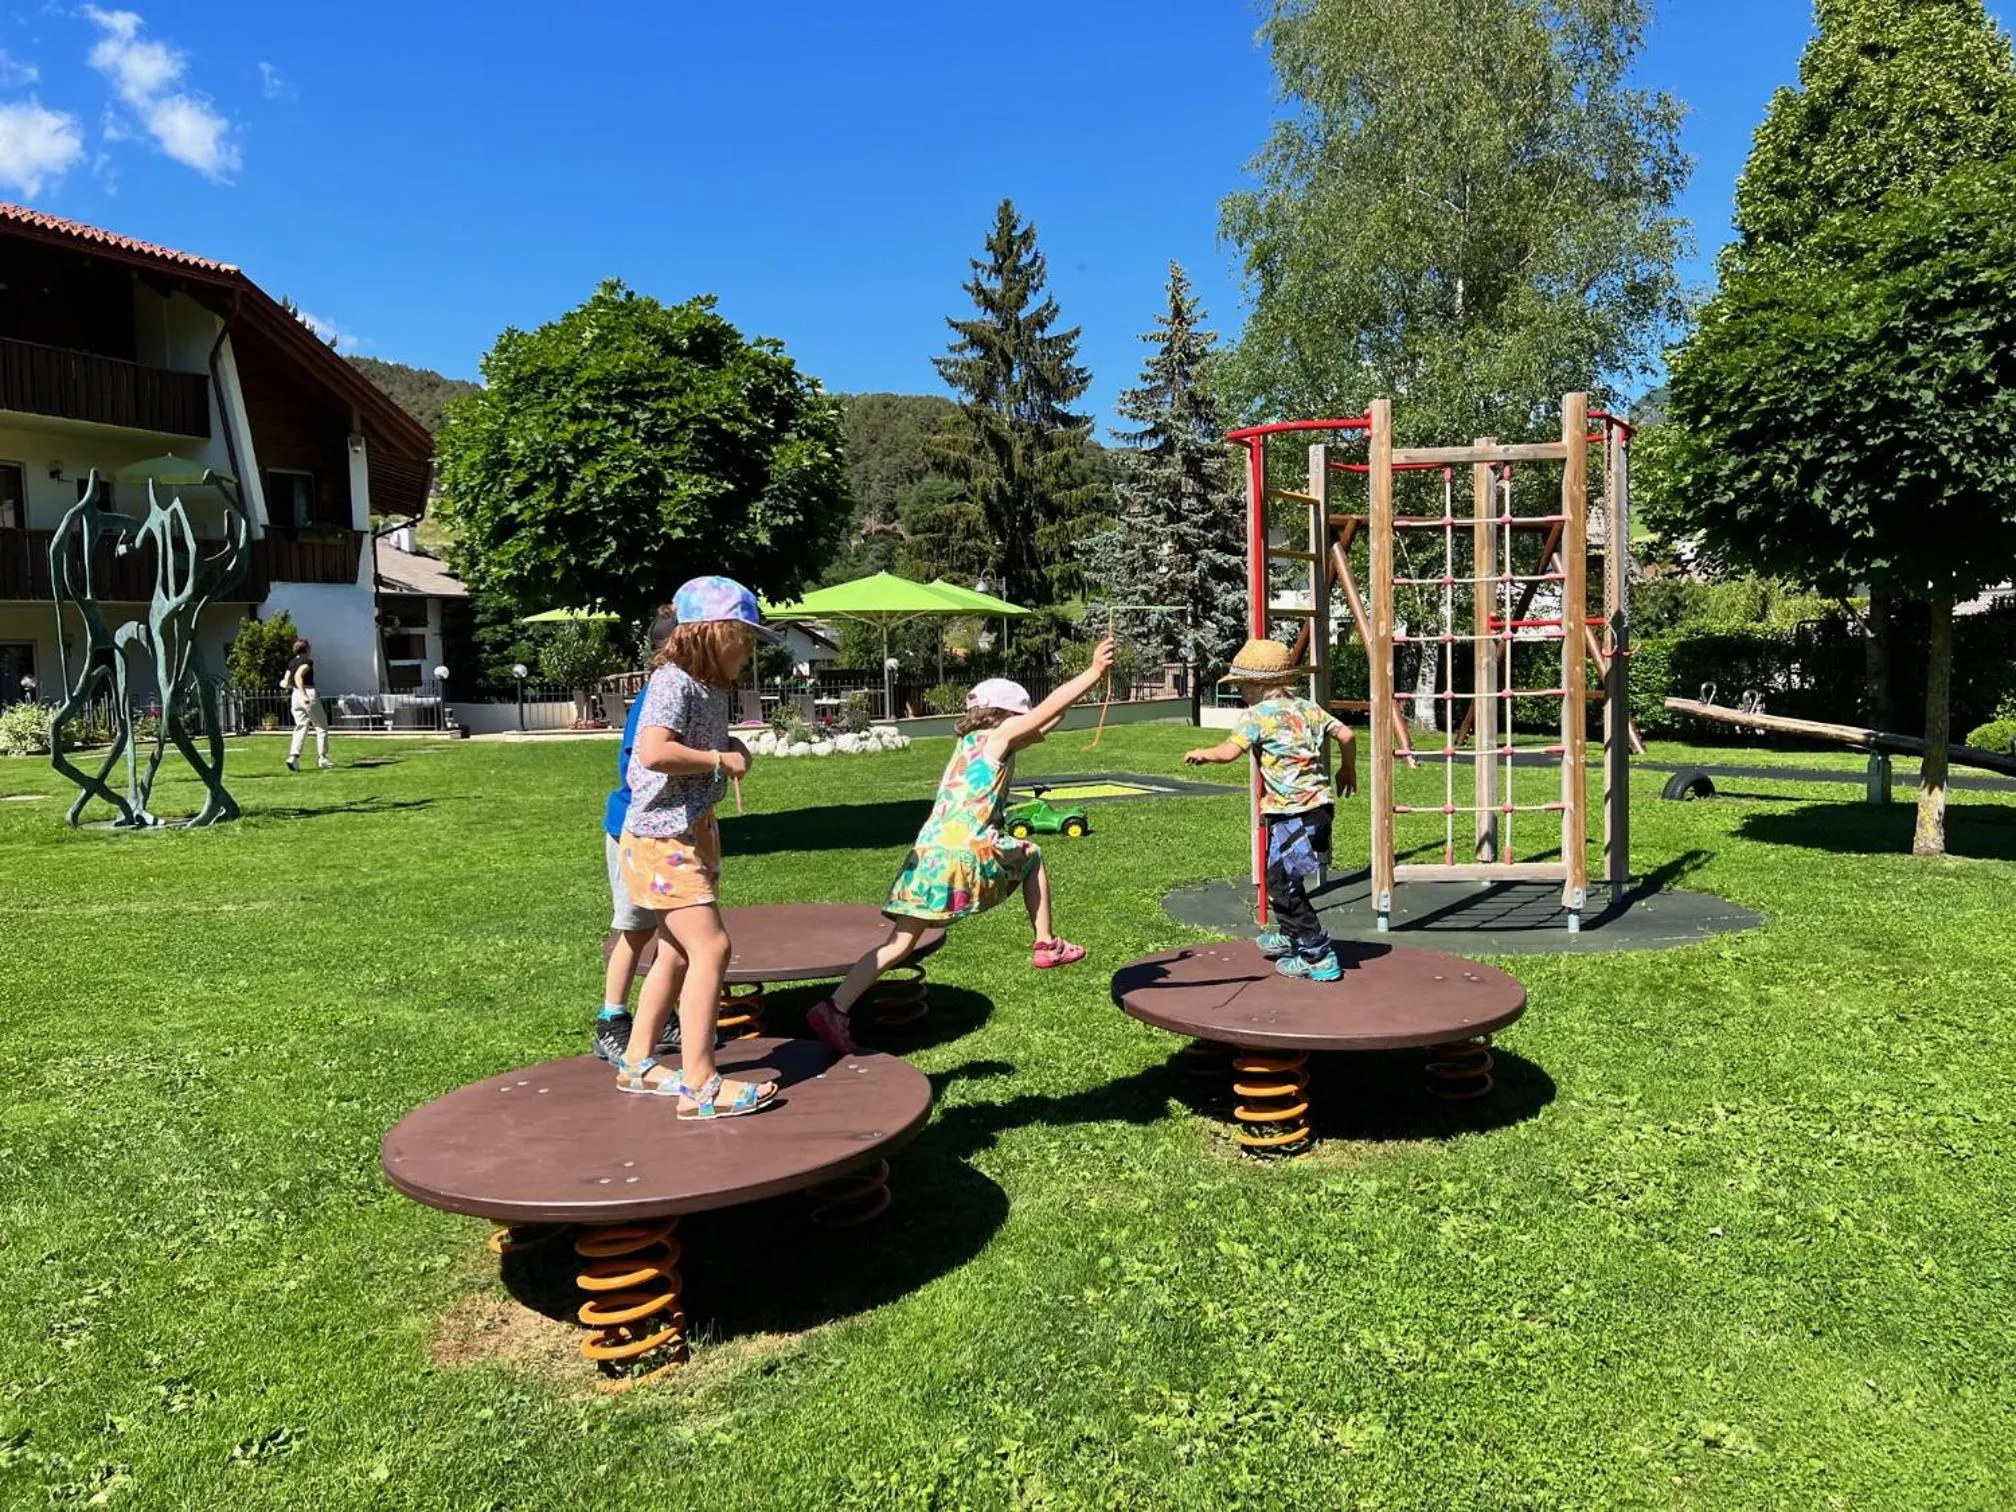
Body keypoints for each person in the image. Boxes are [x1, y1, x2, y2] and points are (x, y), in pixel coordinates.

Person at [804, 640, 1115, 1057]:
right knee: (1032, 855)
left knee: (900, 943)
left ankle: (834, 1007)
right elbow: (1045, 711)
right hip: (969, 848)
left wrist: (1079, 697)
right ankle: (1045, 943)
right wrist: (1093, 672)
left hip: (930, 853)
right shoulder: (1000, 736)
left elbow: (1045, 722)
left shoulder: (972, 744)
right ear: (1007, 715)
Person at [613, 576, 779, 1119]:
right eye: (744, 638)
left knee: (678, 951)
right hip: (661, 837)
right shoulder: (673, 682)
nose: (749, 651)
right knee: (712, 949)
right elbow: (654, 750)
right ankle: (700, 1085)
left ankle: (637, 1062)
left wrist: (729, 745)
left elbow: (697, 743)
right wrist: (716, 759)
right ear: (714, 633)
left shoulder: (708, 688)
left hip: (689, 829)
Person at [1183, 637, 1358, 981]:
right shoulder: (1308, 708)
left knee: (1283, 886)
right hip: (1319, 810)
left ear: (1258, 686)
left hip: (1293, 815)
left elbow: (1228, 752)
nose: (1241, 694)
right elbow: (1347, 735)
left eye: (1242, 688)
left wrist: (1204, 753)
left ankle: (1317, 956)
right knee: (1282, 879)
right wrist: (1347, 769)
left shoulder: (1256, 716)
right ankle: (1293, 934)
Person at [594, 605, 683, 1064]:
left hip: (666, 828)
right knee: (634, 928)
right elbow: (646, 759)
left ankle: (660, 1014)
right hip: (634, 827)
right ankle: (611, 1020)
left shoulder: (685, 690)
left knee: (672, 929)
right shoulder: (657, 696)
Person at [283, 638, 332, 772]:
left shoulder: (291, 662)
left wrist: (288, 685)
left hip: (295, 696)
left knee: (301, 726)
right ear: (307, 649)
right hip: (307, 693)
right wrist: (304, 695)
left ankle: (293, 757)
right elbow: (298, 676)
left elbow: (286, 680)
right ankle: (323, 758)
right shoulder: (307, 661)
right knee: (321, 726)